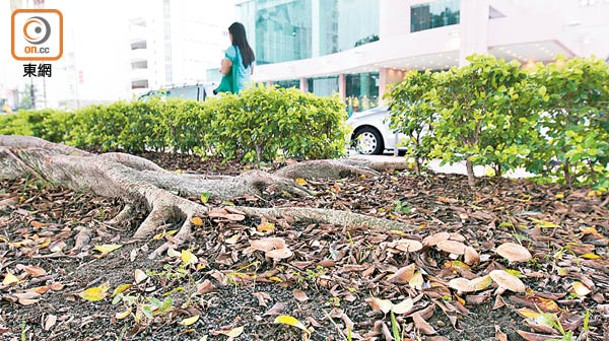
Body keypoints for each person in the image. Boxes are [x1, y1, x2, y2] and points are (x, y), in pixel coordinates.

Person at [214, 22, 255, 95]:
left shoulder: (232, 50)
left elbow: (225, 70)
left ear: (233, 35)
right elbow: (251, 72)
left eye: (229, 34)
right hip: (248, 93)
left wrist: (222, 65)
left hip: (236, 93)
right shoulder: (249, 51)